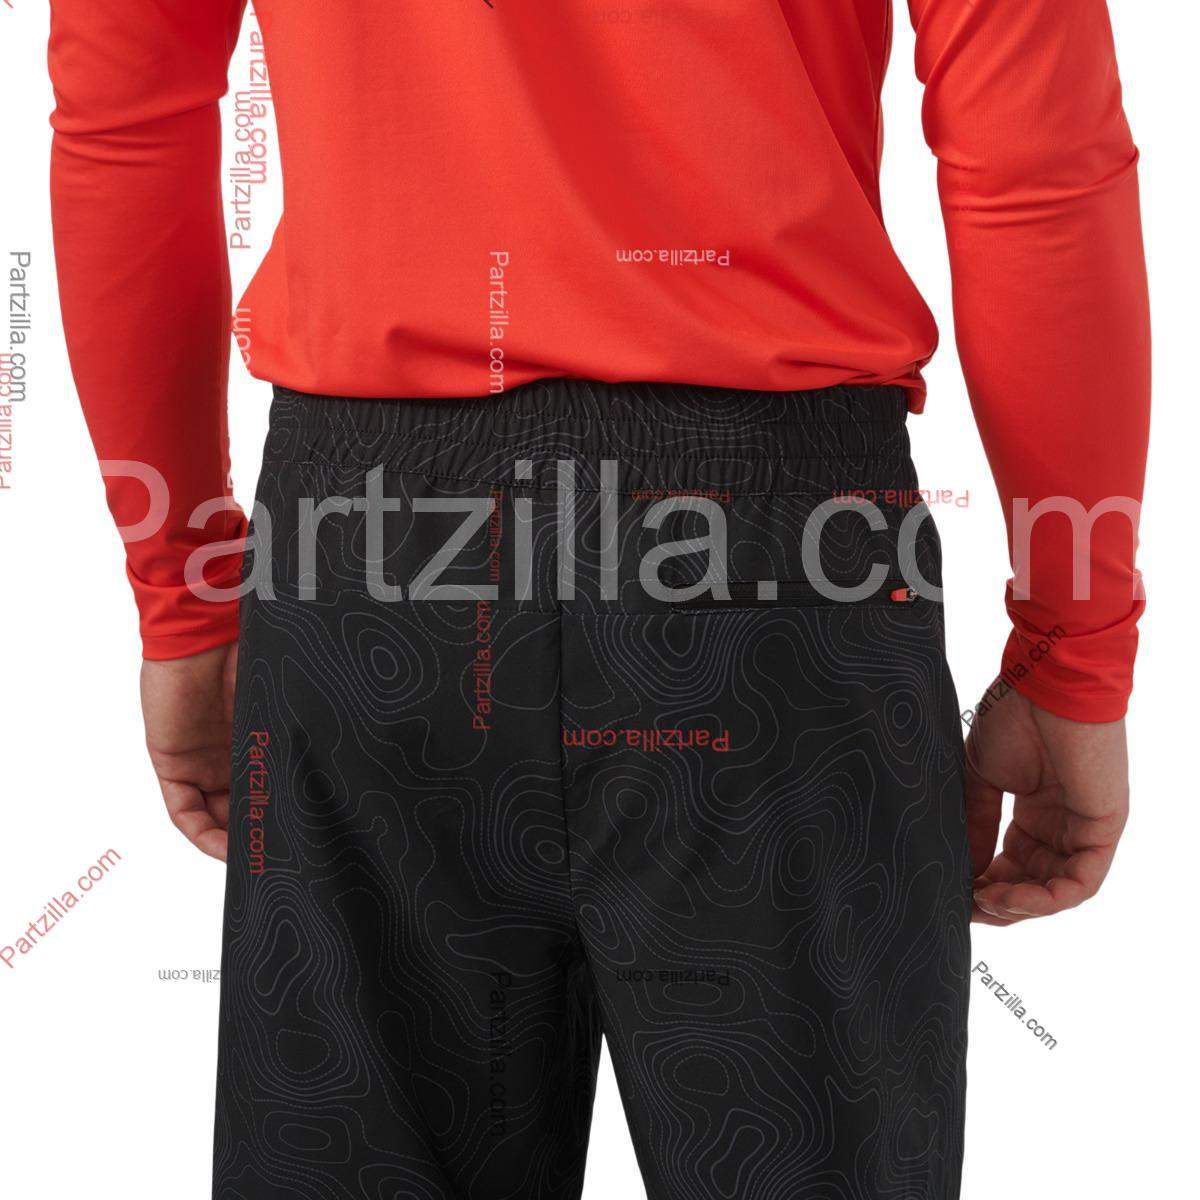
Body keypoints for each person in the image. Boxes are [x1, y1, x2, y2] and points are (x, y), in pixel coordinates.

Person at [47, 3, 1148, 1198]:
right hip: (775, 565)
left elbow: (126, 122)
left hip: (370, 556)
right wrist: (1069, 646)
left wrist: (185, 590)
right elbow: (1037, 168)